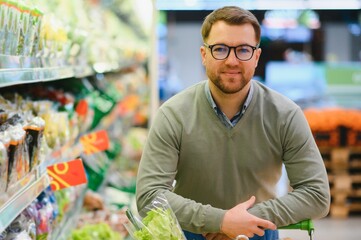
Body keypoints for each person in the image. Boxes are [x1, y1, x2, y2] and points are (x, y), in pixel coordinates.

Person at [136, 6, 330, 240]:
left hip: (258, 232)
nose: (232, 60)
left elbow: (317, 194)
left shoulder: (285, 115)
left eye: (243, 50)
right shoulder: (173, 114)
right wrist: (221, 221)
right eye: (220, 49)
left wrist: (246, 220)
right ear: (203, 54)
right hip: (189, 234)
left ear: (256, 56)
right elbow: (149, 196)